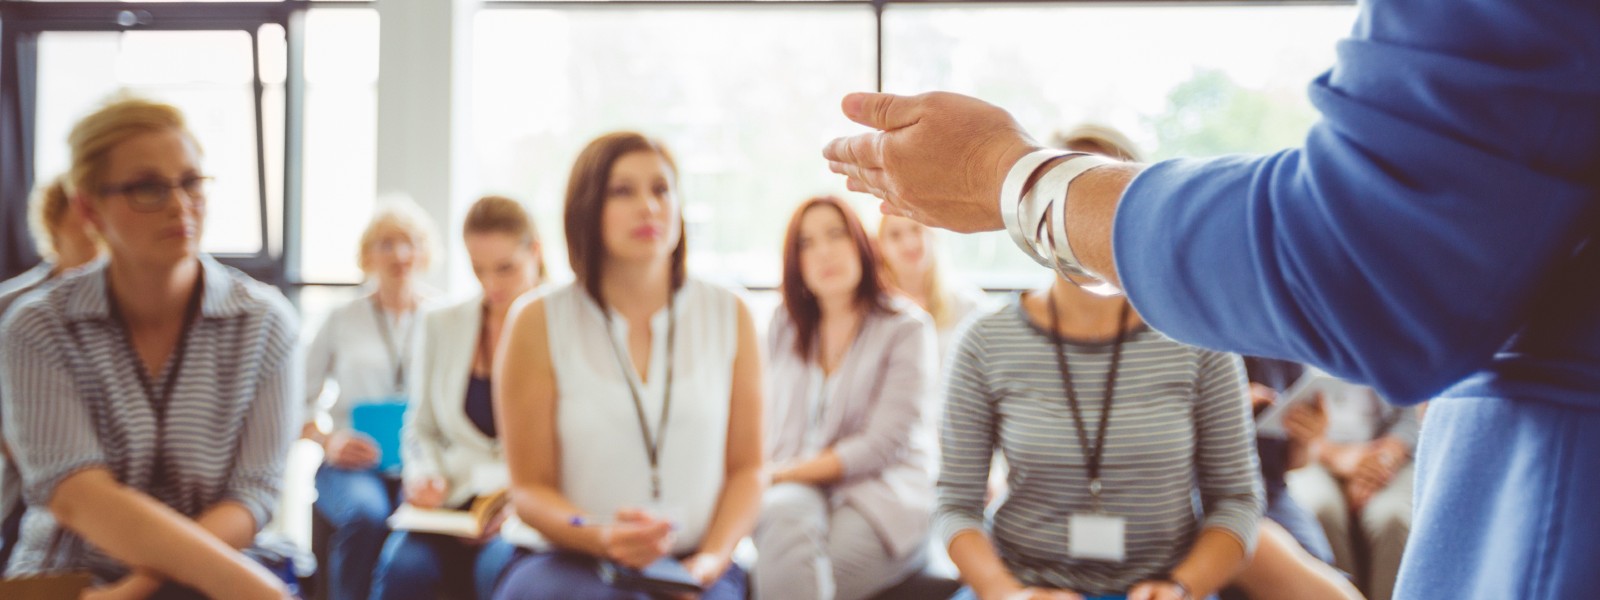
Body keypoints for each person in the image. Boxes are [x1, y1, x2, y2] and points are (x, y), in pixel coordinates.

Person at [822, 0, 1600, 593]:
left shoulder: (1192, 337)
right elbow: (957, 501)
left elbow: (1368, 258)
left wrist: (1010, 176)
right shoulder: (991, 342)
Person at [0, 97, 297, 599]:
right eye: (147, 188)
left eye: (191, 182)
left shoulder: (265, 323)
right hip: (68, 575)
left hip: (219, 576)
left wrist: (139, 588)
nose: (180, 206)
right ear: (88, 208)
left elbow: (252, 495)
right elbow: (78, 496)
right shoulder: (37, 326)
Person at [492, 132, 764, 599]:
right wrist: (600, 536)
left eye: (661, 189)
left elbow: (749, 469)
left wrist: (710, 561)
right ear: (587, 208)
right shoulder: (537, 320)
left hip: (700, 563)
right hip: (571, 558)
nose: (649, 207)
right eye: (622, 191)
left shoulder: (730, 313)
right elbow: (530, 490)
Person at [936, 267, 1263, 600]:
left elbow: (1236, 500)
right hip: (1022, 584)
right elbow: (956, 505)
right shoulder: (985, 339)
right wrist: (1005, 593)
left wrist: (1183, 587)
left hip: (1164, 584)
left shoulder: (1198, 337)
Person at [756, 196, 938, 600]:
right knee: (783, 518)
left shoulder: (906, 328)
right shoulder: (784, 324)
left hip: (880, 494)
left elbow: (881, 446)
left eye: (835, 235)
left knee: (804, 572)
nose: (824, 252)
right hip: (796, 484)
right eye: (807, 243)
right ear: (795, 262)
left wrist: (777, 474)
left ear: (860, 242)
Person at [370, 195, 546, 599]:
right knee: (402, 569)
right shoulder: (442, 323)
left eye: (505, 268)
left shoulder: (564, 328)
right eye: (478, 269)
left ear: (535, 252)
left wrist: (519, 505)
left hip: (521, 510)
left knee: (497, 570)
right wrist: (423, 476)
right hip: (450, 504)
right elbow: (421, 427)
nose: (491, 285)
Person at [303, 199, 439, 600]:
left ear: (425, 251)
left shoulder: (443, 316)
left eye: (410, 242)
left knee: (416, 528)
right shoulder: (340, 318)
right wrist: (329, 441)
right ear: (367, 255)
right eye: (386, 244)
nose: (400, 255)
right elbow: (296, 401)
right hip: (353, 465)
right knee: (367, 514)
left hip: (419, 462)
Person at [0, 175, 104, 569]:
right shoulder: (12, 308)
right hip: (27, 489)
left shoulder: (129, 307)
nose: (95, 245)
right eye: (83, 233)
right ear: (55, 232)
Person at [1286, 381, 1417, 600]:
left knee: (1393, 519)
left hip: (1388, 456)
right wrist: (1340, 457)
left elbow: (1413, 415)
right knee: (1321, 511)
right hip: (1315, 454)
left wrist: (1382, 460)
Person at [876, 213, 989, 363]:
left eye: (916, 229)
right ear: (881, 247)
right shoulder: (874, 311)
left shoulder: (969, 304)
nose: (909, 243)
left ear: (933, 235)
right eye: (895, 235)